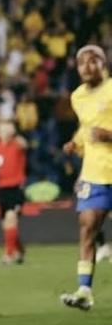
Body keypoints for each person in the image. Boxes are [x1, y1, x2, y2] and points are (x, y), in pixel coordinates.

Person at [60, 44, 112, 311]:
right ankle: (84, 290)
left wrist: (108, 135)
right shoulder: (78, 96)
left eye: (93, 60)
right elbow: (86, 127)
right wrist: (76, 143)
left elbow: (99, 131)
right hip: (94, 174)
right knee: (87, 227)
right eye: (81, 62)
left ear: (104, 63)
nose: (87, 66)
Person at [0, 119, 27, 264]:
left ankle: (8, 255)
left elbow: (25, 144)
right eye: (2, 127)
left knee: (10, 218)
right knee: (6, 225)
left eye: (8, 127)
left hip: (16, 188)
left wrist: (15, 134)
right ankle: (20, 250)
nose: (5, 129)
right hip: (2, 189)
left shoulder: (17, 143)